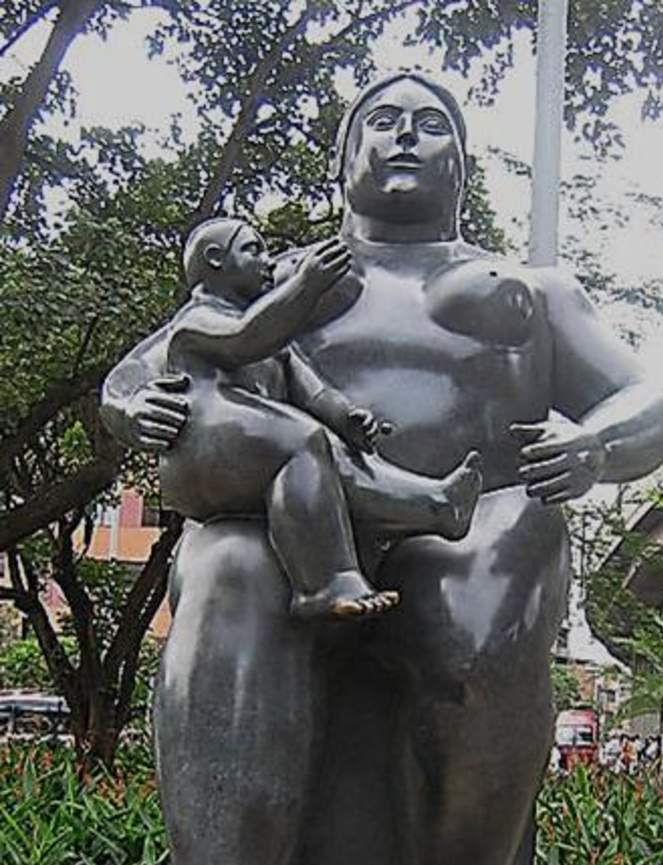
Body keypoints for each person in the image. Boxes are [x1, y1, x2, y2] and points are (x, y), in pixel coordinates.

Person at [102, 71, 663, 865]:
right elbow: (149, 366)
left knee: (491, 583)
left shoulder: (529, 291)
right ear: (344, 159)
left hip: (474, 520)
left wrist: (592, 445)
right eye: (382, 121)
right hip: (298, 524)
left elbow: (644, 403)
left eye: (430, 125)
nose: (406, 136)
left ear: (464, 162)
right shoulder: (286, 280)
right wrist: (135, 405)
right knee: (227, 571)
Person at [159, 216, 482, 619]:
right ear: (215, 259)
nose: (268, 262)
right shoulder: (198, 319)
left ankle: (437, 504)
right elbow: (243, 339)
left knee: (328, 450)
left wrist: (347, 418)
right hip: (200, 453)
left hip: (249, 449)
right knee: (302, 440)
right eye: (253, 250)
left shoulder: (276, 341)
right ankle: (325, 584)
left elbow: (314, 392)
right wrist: (305, 285)